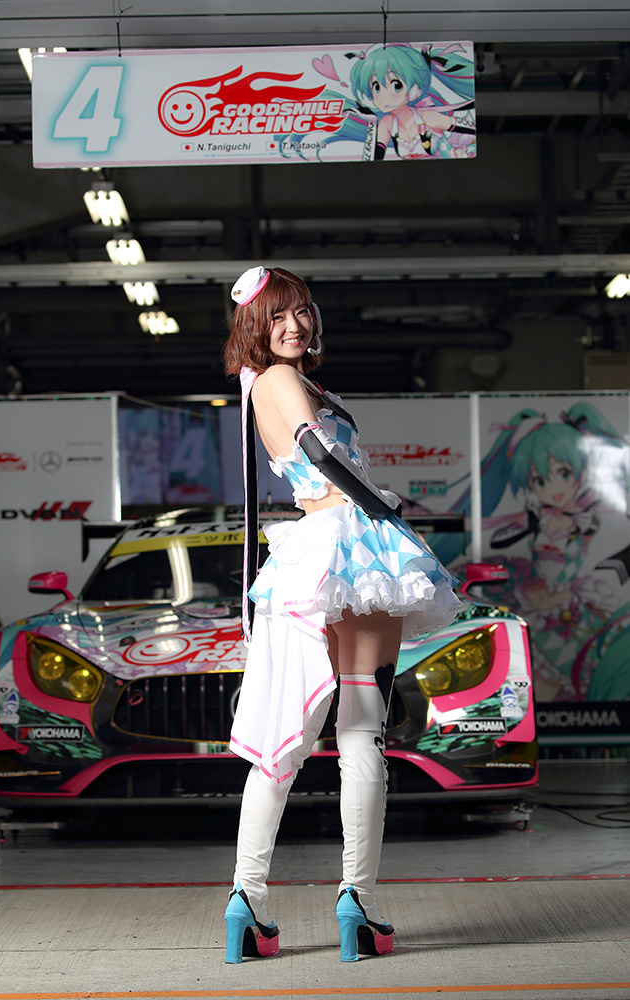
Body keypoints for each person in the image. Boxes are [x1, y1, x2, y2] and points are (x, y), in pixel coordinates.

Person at [222, 266, 462, 964]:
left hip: (317, 552)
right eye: (276, 316)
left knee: (294, 734)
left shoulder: (273, 381)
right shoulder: (275, 379)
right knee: (358, 730)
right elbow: (314, 448)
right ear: (254, 327)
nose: (294, 325)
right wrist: (378, 504)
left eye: (300, 310)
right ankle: (356, 900)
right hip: (349, 545)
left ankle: (247, 903)